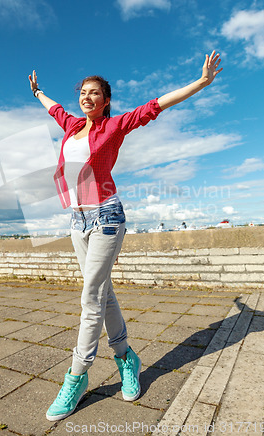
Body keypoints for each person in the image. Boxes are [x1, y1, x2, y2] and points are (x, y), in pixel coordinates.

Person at [28, 50, 222, 421]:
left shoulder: (113, 127)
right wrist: (38, 93)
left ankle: (77, 376)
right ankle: (126, 357)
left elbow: (156, 105)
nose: (86, 97)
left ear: (106, 100)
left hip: (106, 217)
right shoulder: (70, 126)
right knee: (103, 292)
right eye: (83, 92)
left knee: (90, 297)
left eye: (94, 93)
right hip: (77, 220)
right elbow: (53, 108)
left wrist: (201, 82)